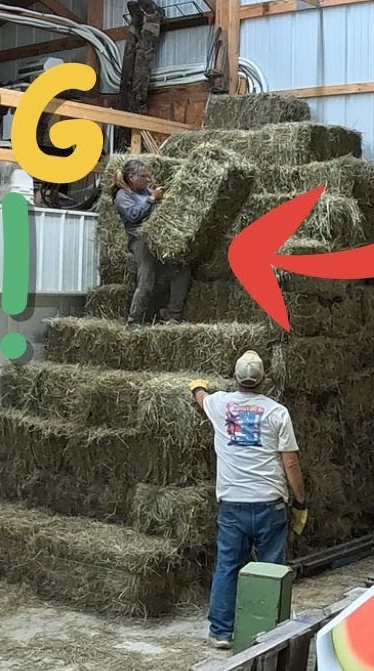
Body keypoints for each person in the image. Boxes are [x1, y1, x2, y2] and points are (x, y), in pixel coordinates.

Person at [188, 351, 308, 650]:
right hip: (270, 505)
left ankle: (221, 632)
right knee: (270, 568)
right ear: (263, 379)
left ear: (235, 378)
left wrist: (196, 386)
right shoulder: (277, 412)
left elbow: (201, 397)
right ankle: (266, 633)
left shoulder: (220, 404)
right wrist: (301, 502)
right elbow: (290, 463)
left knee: (228, 566)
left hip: (232, 506)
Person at [113, 159, 191, 324]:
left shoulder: (145, 190)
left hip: (159, 238)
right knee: (146, 282)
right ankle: (134, 321)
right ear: (132, 177)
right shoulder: (122, 196)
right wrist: (152, 199)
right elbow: (133, 215)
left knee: (180, 269)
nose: (148, 179)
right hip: (140, 240)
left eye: (148, 175)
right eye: (144, 176)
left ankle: (172, 316)